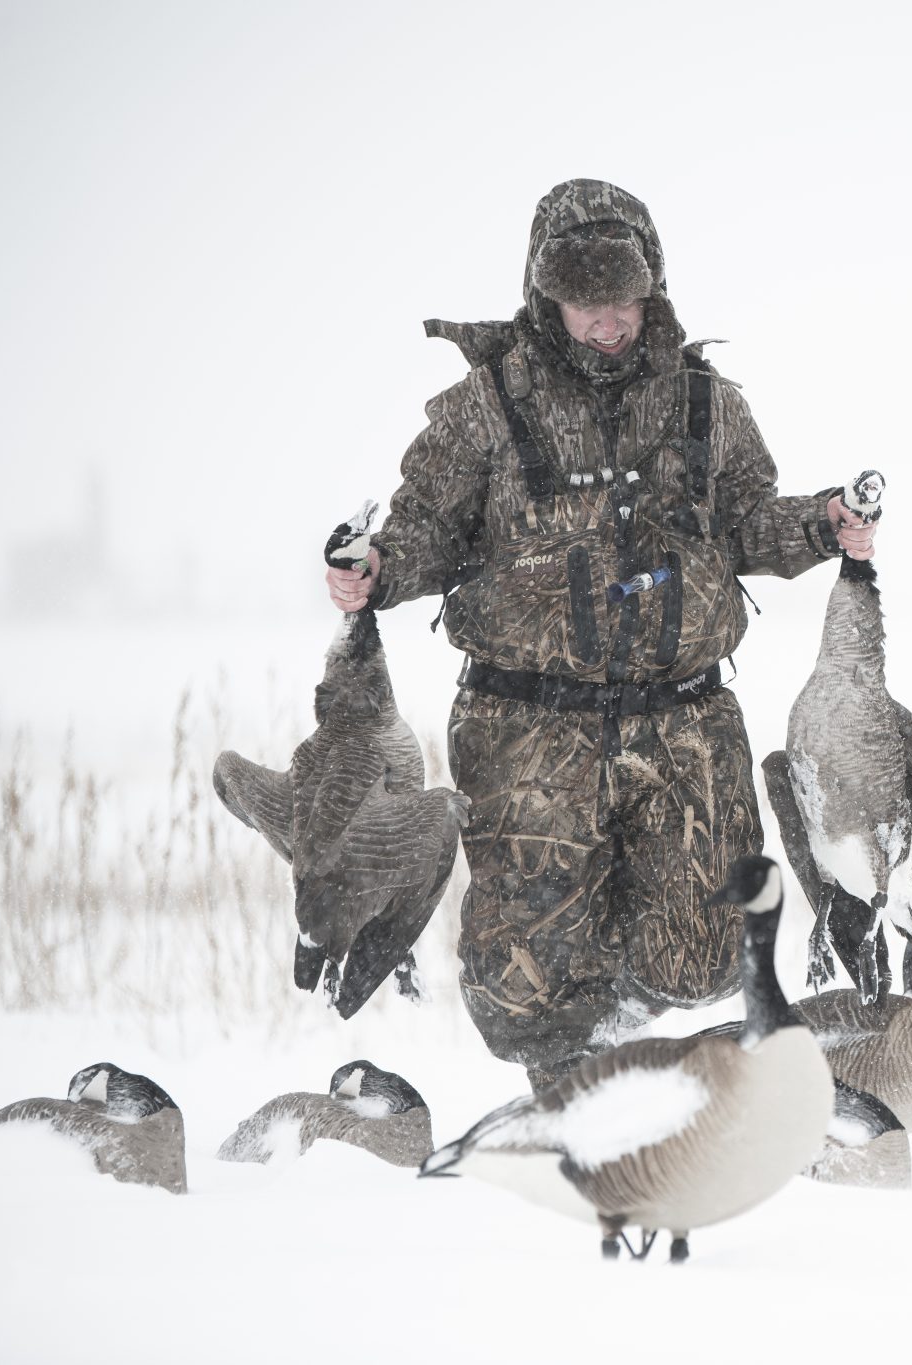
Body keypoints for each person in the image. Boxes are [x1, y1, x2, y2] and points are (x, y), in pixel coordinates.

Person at [325, 179, 876, 1084]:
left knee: (707, 955)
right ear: (549, 301)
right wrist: (377, 569)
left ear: (651, 291)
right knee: (520, 997)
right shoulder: (484, 409)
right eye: (587, 306)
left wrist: (822, 523)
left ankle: (615, 1020)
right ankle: (576, 1084)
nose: (609, 325)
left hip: (685, 722)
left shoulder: (708, 403)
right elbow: (426, 528)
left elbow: (747, 523)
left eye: (624, 302)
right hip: (528, 728)